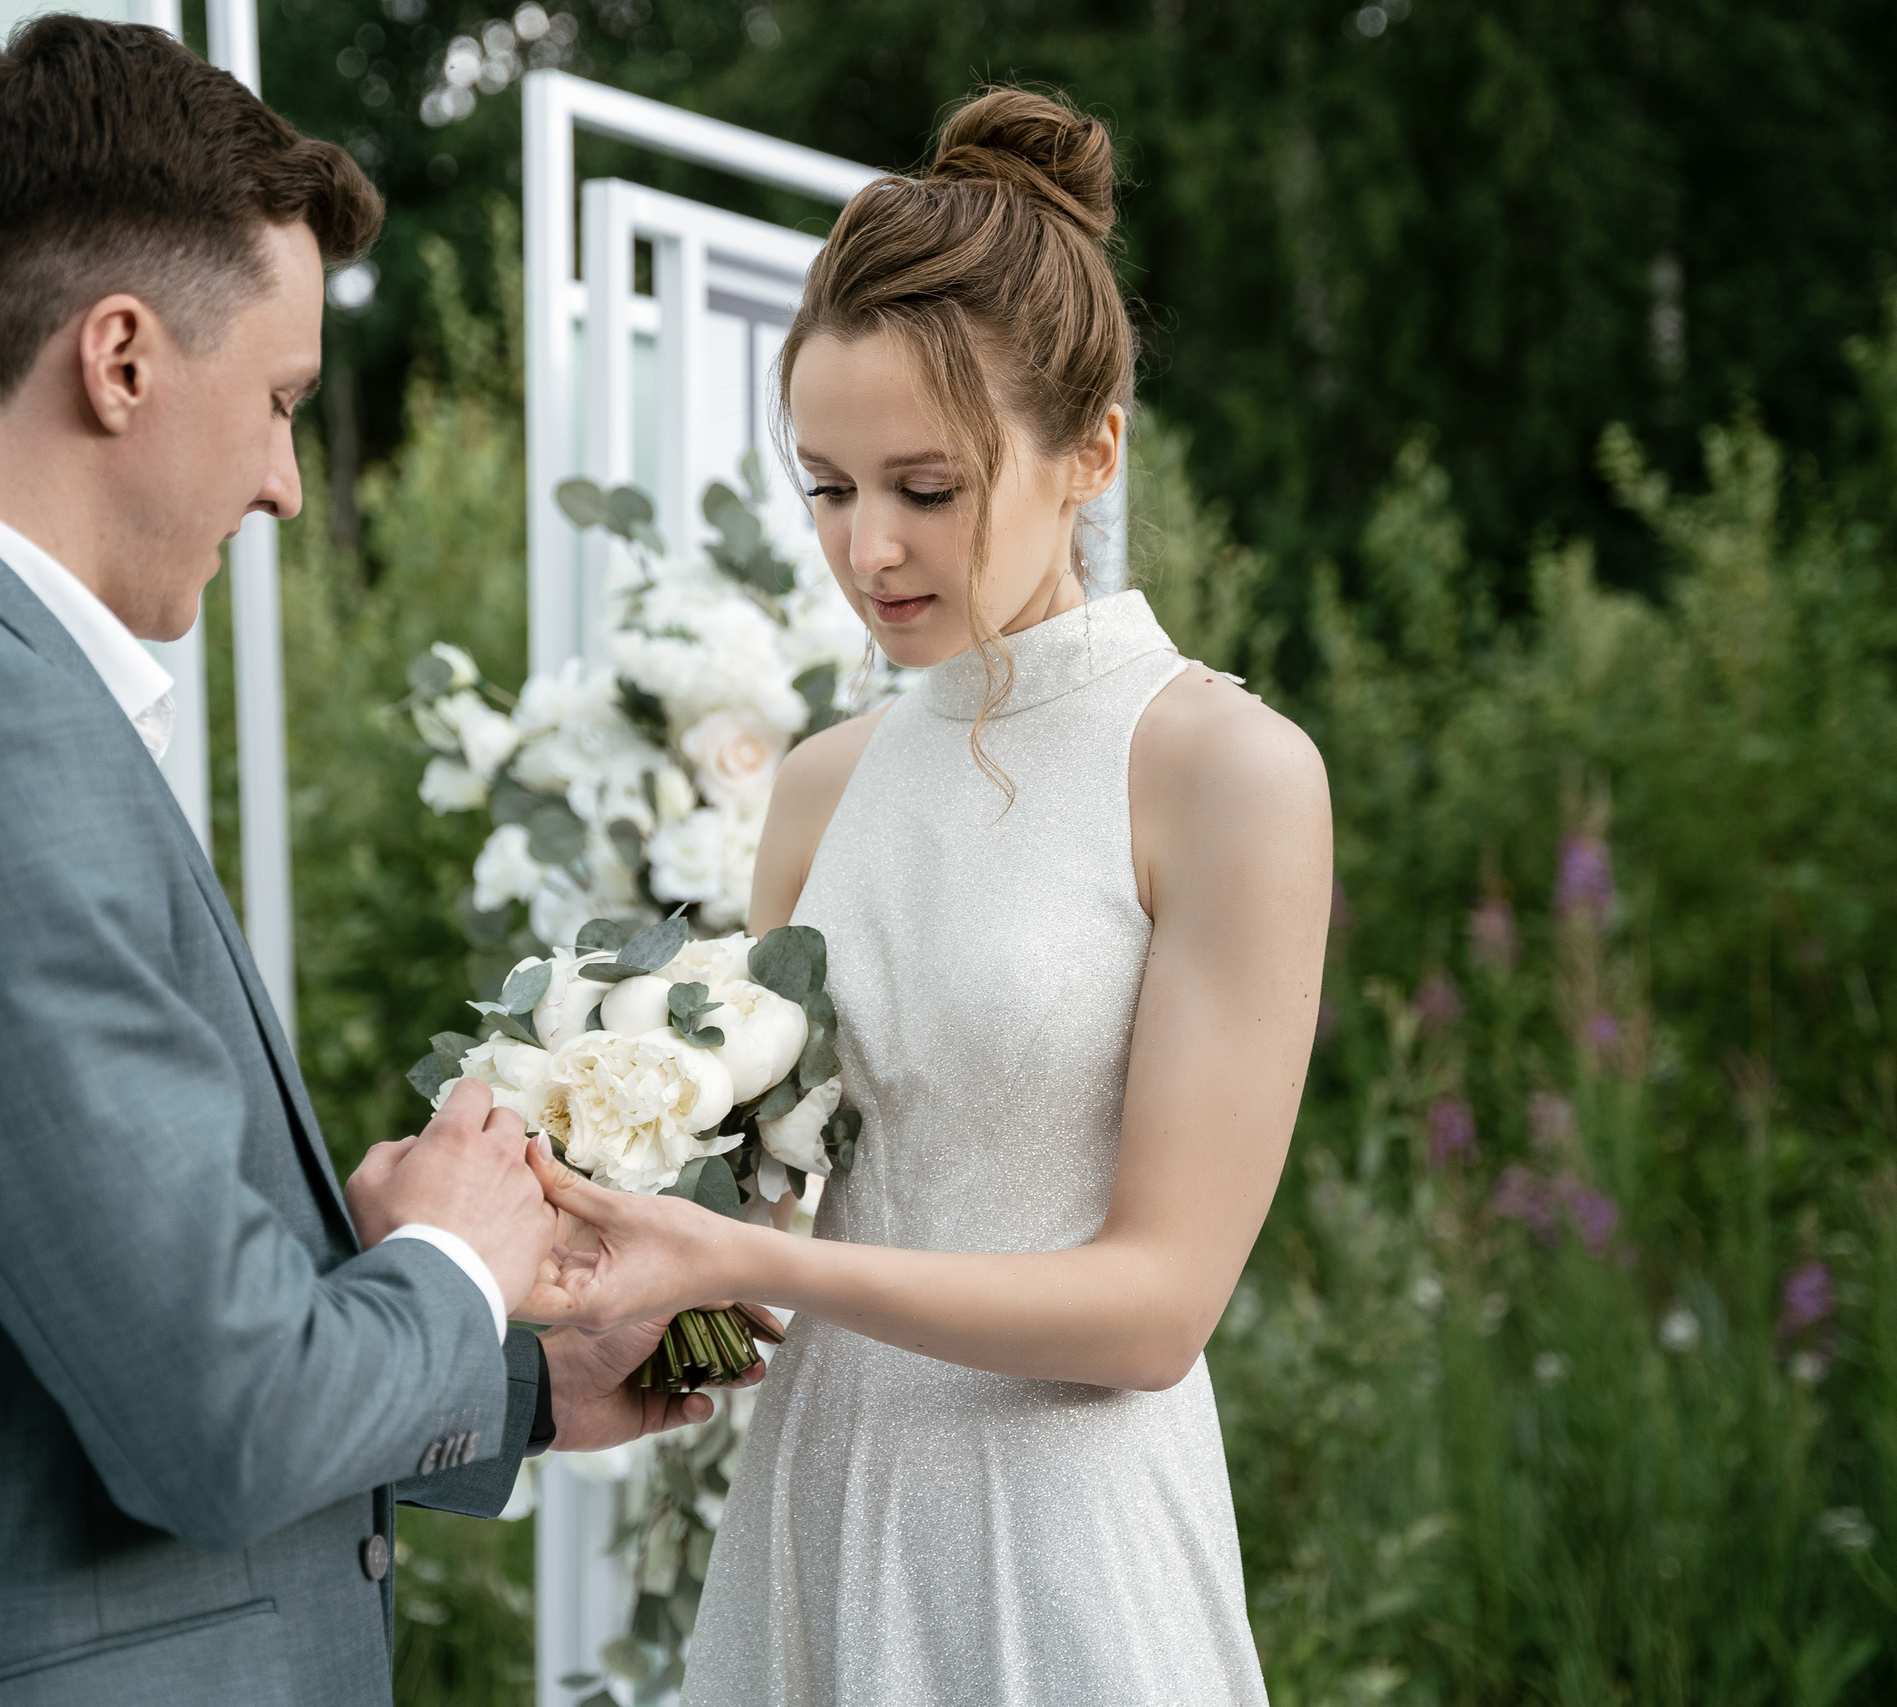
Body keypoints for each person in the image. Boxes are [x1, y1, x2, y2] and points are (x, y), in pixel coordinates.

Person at [0, 18, 732, 1705]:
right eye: (283, 403)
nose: (289, 485)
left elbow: (55, 1339)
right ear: (124, 361)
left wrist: (505, 1382)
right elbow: (218, 1421)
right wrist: (453, 1252)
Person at [520, 87, 1333, 1705]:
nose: (869, 547)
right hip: (819, 1523)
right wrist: (577, 1201)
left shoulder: (1225, 772)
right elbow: (765, 1213)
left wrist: (753, 1267)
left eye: (927, 487)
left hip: (1067, 1553)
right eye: (826, 487)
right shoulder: (819, 787)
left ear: (1091, 452)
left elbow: (1154, 1310)